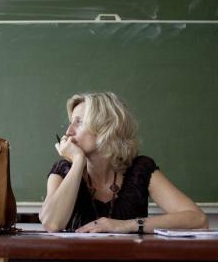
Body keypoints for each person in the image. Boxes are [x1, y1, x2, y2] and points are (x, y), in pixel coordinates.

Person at [39, 92, 208, 233]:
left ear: (106, 127)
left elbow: (198, 219)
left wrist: (125, 225)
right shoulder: (62, 171)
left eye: (79, 122)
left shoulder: (139, 170)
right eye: (70, 122)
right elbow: (51, 224)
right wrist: (77, 162)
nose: (68, 132)